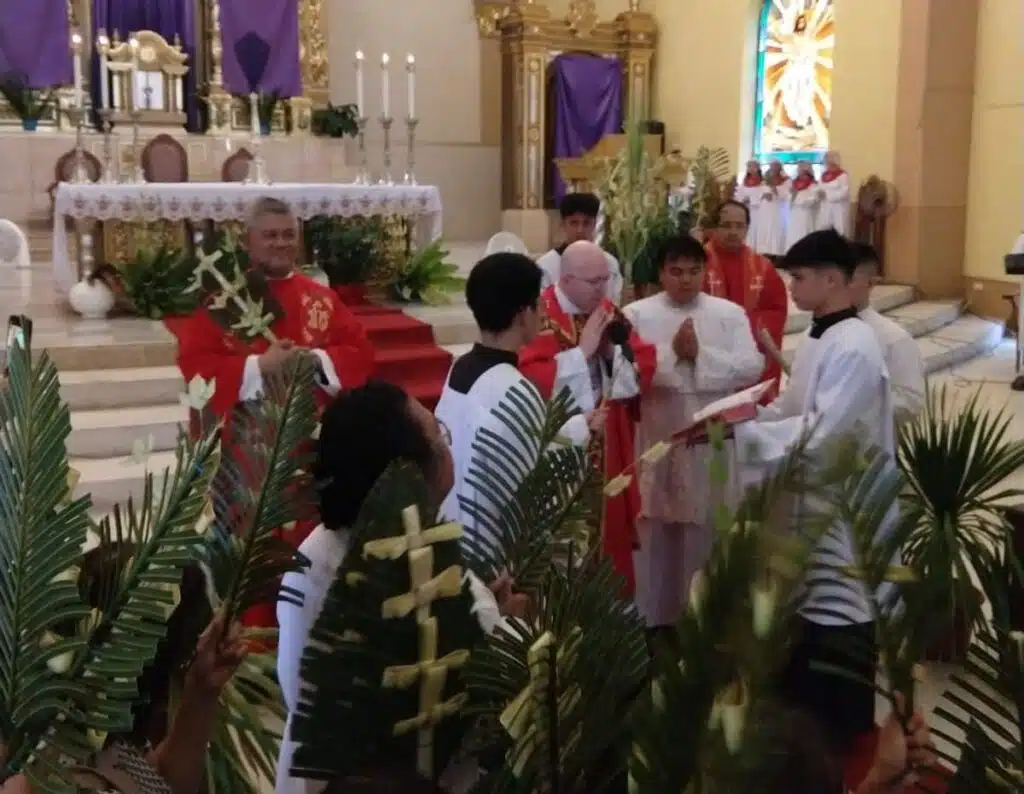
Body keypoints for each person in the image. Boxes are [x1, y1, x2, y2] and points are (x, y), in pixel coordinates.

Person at [275, 381, 526, 794]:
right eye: (438, 436)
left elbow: (297, 689)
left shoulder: (312, 557)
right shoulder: (459, 592)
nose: (446, 447)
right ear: (409, 474)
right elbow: (489, 712)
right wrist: (506, 628)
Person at [175, 197, 375, 628]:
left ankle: (305, 632)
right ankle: (246, 640)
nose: (280, 243)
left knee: (305, 554)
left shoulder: (320, 299)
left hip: (310, 450)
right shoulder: (222, 301)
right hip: (246, 454)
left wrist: (316, 361)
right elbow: (196, 369)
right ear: (249, 241)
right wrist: (258, 367)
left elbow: (359, 351)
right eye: (270, 235)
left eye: (288, 234)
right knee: (250, 557)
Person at [733, 229, 895, 758]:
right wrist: (751, 415)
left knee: (842, 606)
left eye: (799, 278)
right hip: (812, 502)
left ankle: (845, 735)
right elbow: (794, 409)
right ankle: (810, 723)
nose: (792, 288)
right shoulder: (822, 336)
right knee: (810, 608)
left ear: (832, 279)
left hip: (846, 506)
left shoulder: (855, 346)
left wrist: (751, 437)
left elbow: (825, 437)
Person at [623, 234, 763, 629]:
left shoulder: (729, 313)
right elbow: (626, 372)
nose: (686, 280)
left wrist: (700, 354)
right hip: (657, 431)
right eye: (676, 271)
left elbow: (751, 366)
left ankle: (702, 622)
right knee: (656, 531)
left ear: (706, 271)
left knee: (704, 528)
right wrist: (672, 355)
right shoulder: (635, 315)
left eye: (694, 271)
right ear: (661, 273)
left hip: (709, 439)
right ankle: (652, 622)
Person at [519, 240, 657, 593]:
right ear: (565, 280)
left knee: (606, 537)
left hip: (607, 440)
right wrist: (581, 354)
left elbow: (643, 365)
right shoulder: (542, 315)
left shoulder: (609, 311)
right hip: (560, 443)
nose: (602, 289)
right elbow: (530, 377)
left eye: (605, 279)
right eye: (593, 281)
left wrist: (611, 354)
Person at [435, 252, 591, 545]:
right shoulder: (515, 388)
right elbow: (528, 486)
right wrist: (583, 429)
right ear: (523, 314)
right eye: (539, 302)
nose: (544, 310)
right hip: (490, 548)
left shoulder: (460, 367)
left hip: (451, 528)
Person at [703, 200, 789, 403]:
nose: (733, 232)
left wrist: (742, 325)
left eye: (739, 226)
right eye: (726, 225)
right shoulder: (698, 263)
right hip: (711, 350)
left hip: (750, 350)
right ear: (714, 228)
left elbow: (776, 310)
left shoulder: (763, 267)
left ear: (747, 228)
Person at [850, 242, 925, 421]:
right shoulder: (814, 332)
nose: (837, 287)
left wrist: (849, 405)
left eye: (849, 279)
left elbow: (910, 403)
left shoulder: (894, 339)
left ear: (872, 282)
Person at [536, 192, 624, 303]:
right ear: (563, 224)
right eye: (574, 223)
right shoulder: (545, 266)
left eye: (586, 223)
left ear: (594, 224)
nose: (580, 230)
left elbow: (613, 304)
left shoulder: (609, 263)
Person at [753, 160, 790, 258]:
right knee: (764, 230)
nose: (772, 168)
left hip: (778, 209)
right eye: (771, 166)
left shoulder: (786, 180)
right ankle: (764, 252)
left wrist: (775, 190)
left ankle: (777, 254)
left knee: (776, 231)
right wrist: (763, 195)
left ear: (779, 167)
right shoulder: (765, 179)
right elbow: (758, 192)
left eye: (775, 166)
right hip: (765, 209)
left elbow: (787, 195)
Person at [786, 160, 822, 249]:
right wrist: (793, 195)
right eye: (799, 167)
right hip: (794, 213)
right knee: (793, 234)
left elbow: (814, 199)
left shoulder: (813, 184)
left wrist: (801, 200)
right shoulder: (794, 183)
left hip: (805, 213)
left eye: (802, 167)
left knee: (804, 234)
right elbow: (788, 198)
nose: (799, 170)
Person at [818, 150, 852, 236]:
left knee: (838, 232)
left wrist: (828, 195)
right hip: (825, 208)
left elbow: (845, 192)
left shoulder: (842, 175)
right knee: (824, 233)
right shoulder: (823, 175)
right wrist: (818, 194)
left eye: (828, 160)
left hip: (838, 209)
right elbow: (819, 188)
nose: (826, 163)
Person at [734, 160, 765, 249]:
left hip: (757, 211)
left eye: (753, 166)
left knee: (755, 230)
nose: (750, 169)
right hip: (745, 209)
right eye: (749, 166)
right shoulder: (744, 181)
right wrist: (742, 200)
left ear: (758, 168)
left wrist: (751, 199)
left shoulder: (762, 182)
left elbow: (762, 195)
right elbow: (739, 194)